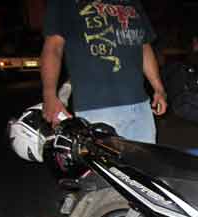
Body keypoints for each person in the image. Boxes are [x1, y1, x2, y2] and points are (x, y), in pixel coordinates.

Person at [40, 0, 167, 143]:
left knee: (144, 158)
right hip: (96, 110)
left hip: (141, 107)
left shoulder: (132, 3)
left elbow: (143, 46)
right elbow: (53, 48)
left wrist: (158, 88)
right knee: (105, 158)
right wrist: (49, 95)